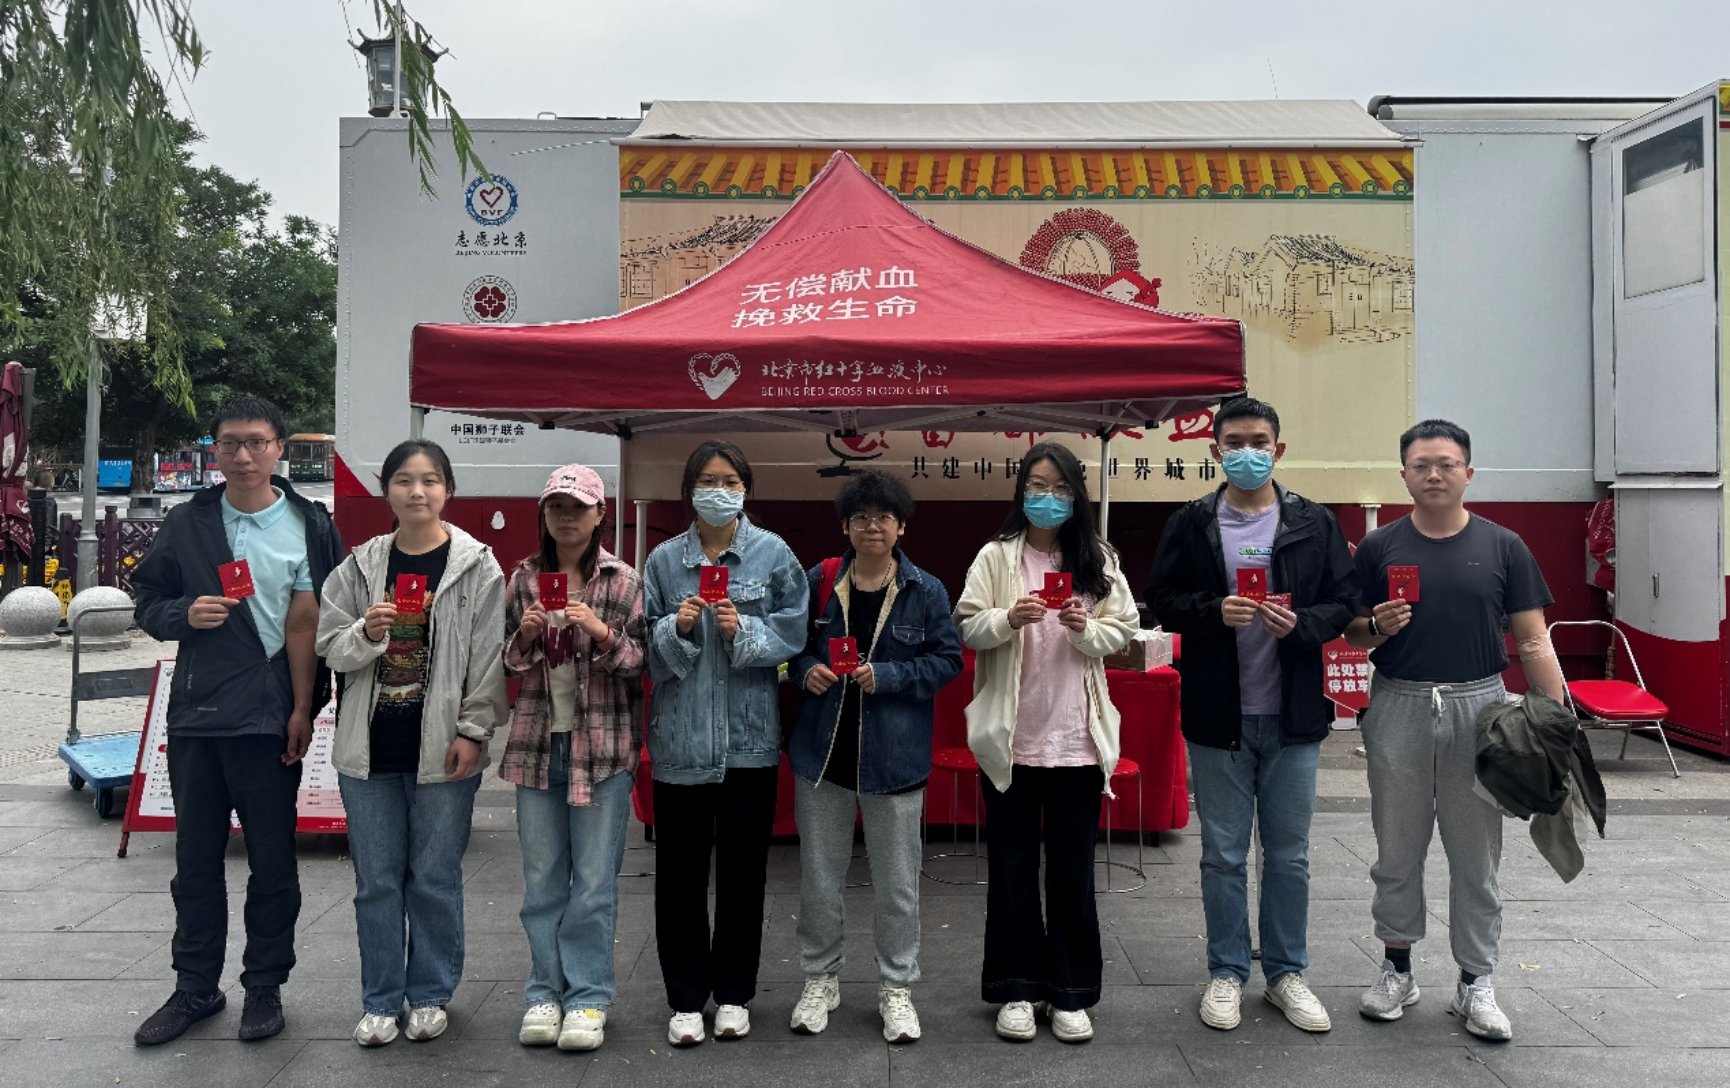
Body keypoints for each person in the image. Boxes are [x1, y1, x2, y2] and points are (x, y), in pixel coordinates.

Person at [131, 395, 344, 1046]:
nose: (243, 455)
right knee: (195, 862)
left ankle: (264, 987)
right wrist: (182, 614)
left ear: (280, 448)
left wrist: (305, 707)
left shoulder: (310, 523)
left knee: (272, 862)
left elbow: (312, 621)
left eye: (256, 442)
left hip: (269, 714)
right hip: (198, 715)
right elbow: (148, 598)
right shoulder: (189, 521)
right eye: (229, 444)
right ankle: (195, 987)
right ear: (215, 451)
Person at [1145, 396, 1359, 1034]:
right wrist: (1213, 611)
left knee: (1289, 855)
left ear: (1278, 449)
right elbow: (1161, 599)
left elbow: (1344, 600)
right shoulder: (1191, 522)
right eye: (1234, 442)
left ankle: (1287, 973)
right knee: (1222, 854)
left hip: (1293, 716)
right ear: (1215, 450)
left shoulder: (1312, 522)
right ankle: (1227, 971)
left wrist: (1302, 624)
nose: (1247, 453)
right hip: (1219, 717)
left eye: (1258, 442)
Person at [1346, 419, 1563, 1041]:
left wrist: (1558, 724)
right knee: (1397, 850)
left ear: (1469, 472)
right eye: (1421, 465)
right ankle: (1397, 969)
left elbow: (1532, 639)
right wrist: (1378, 626)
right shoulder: (1380, 547)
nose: (1434, 474)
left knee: (1476, 855)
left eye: (1446, 464)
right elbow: (1353, 633)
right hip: (1399, 705)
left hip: (1480, 708)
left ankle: (1476, 979)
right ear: (1404, 475)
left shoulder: (1503, 546)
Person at [315, 439, 508, 1047]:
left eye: (429, 480)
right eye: (403, 480)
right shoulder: (359, 567)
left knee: (434, 876)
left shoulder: (477, 568)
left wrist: (474, 732)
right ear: (387, 490)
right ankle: (379, 999)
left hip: (444, 749)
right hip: (368, 752)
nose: (417, 491)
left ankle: (428, 994)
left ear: (448, 490)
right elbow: (329, 645)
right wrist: (366, 633)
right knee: (376, 880)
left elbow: (488, 661)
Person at [954, 442, 1139, 1044]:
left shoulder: (1098, 558)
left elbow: (1125, 629)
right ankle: (1016, 987)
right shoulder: (996, 555)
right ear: (1021, 491)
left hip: (1077, 742)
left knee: (1071, 870)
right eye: (1037, 485)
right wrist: (1008, 619)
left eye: (1060, 488)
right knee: (1010, 868)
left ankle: (1070, 992)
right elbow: (967, 624)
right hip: (1012, 741)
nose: (1048, 498)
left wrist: (1087, 629)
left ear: (1077, 495)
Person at [785, 470, 963, 1044]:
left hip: (895, 759)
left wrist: (888, 675)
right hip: (823, 756)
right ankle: (820, 978)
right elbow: (789, 648)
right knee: (819, 881)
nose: (872, 527)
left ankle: (896, 987)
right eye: (861, 517)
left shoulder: (925, 590)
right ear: (846, 525)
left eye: (883, 517)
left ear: (901, 526)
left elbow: (948, 661)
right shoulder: (820, 581)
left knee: (897, 886)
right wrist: (805, 670)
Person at [642, 440, 807, 1046]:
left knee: (744, 875)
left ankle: (735, 994)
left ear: (746, 489)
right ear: (690, 489)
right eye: (708, 480)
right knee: (679, 879)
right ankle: (686, 999)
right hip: (682, 744)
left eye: (731, 481)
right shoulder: (663, 561)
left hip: (749, 744)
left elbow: (794, 631)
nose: (719, 490)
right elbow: (644, 647)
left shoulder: (774, 553)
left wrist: (747, 631)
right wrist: (677, 627)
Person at [499, 464, 646, 1052]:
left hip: (603, 749)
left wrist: (602, 632)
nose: (567, 517)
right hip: (536, 744)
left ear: (600, 514)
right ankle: (544, 991)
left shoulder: (622, 580)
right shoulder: (524, 578)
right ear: (544, 513)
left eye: (579, 507)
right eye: (557, 507)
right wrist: (527, 635)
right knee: (541, 879)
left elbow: (640, 663)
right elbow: (506, 661)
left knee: (593, 881)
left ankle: (587, 997)